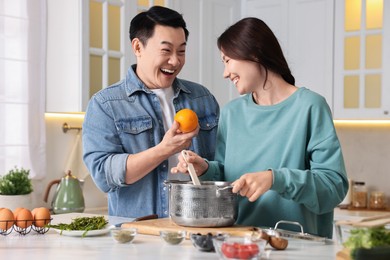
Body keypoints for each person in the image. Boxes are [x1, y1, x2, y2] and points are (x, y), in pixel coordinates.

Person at [171, 17, 348, 238]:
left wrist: (275, 179)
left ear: (254, 53)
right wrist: (205, 170)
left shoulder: (310, 107)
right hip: (238, 243)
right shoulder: (231, 113)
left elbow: (333, 188)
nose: (225, 73)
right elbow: (229, 176)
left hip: (297, 245)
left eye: (227, 61)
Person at [82, 6, 219, 218]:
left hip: (198, 228)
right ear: (138, 47)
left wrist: (205, 167)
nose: (175, 61)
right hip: (139, 236)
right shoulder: (106, 104)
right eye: (166, 50)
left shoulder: (202, 99)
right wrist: (163, 150)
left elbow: (224, 166)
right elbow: (103, 175)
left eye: (181, 51)